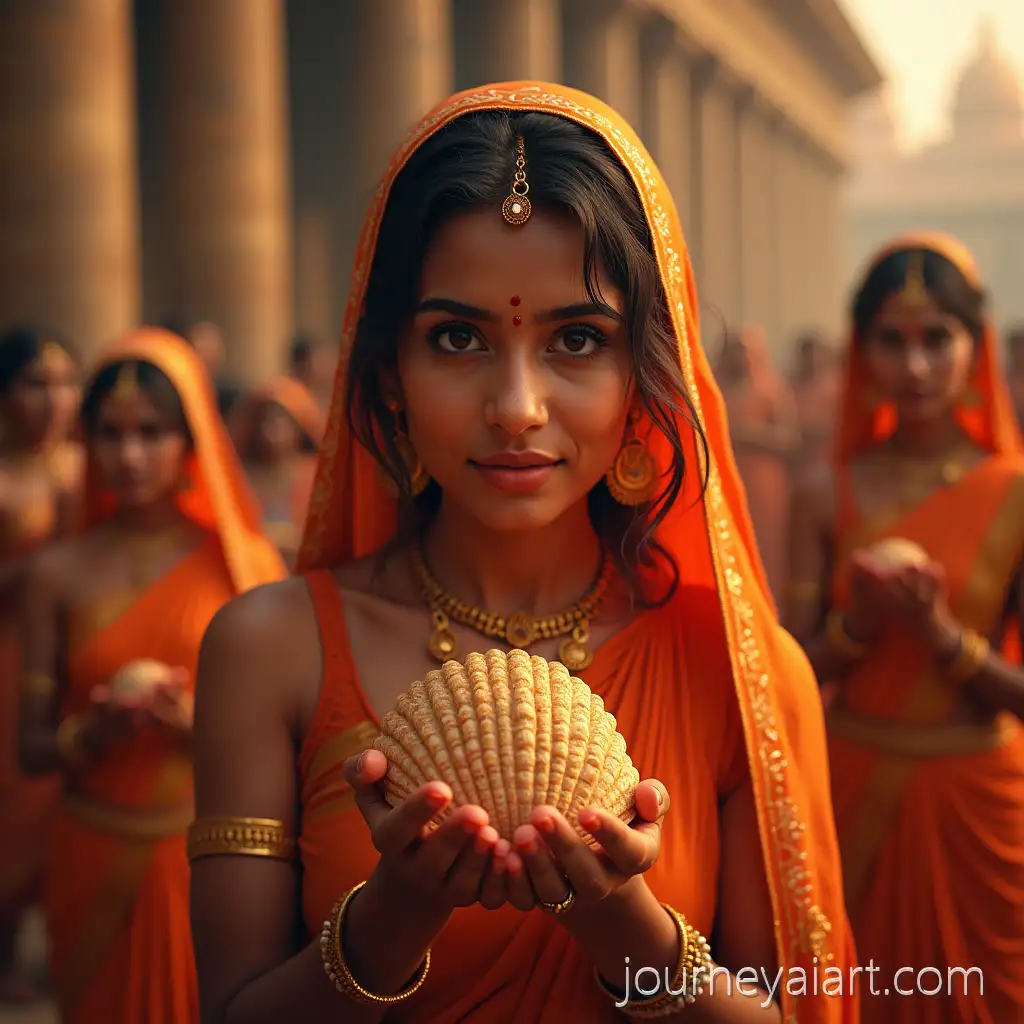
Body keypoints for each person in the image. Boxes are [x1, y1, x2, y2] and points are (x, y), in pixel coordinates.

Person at [188, 82, 855, 1024]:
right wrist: (395, 916)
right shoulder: (272, 651)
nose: (517, 407)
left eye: (576, 339)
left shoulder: (741, 674)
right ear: (388, 376)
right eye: (458, 337)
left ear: (645, 380)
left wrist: (629, 930)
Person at [784, 233, 1024, 1021]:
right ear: (863, 348)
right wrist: (858, 629)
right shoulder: (828, 491)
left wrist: (940, 637)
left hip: (982, 804)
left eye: (936, 339)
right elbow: (781, 670)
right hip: (849, 788)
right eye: (892, 339)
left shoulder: (1015, 493)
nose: (915, 365)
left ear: (973, 347)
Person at [17, 328, 287, 1024]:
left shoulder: (243, 566)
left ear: (191, 438)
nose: (129, 455)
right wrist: (93, 734)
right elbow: (30, 748)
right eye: (110, 433)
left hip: (202, 861)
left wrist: (198, 727)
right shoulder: (58, 574)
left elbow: (298, 741)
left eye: (152, 433)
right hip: (87, 850)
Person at [0, 326, 81, 1003]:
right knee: (14, 809)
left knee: (63, 804)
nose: (53, 400)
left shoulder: (90, 468)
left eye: (63, 383)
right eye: (35, 384)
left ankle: (66, 941)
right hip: (8, 660)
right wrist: (44, 571)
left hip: (78, 656)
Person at [715, 326, 799, 600]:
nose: (741, 356)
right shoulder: (715, 390)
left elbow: (790, 440)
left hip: (765, 484)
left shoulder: (771, 390)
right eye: (736, 349)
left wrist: (752, 435)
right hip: (724, 478)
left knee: (766, 545)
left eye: (746, 350)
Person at [231, 376, 325, 566]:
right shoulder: (236, 478)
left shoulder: (318, 475)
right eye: (266, 420)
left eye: (283, 421)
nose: (273, 430)